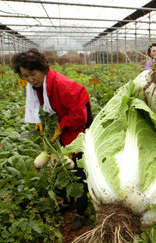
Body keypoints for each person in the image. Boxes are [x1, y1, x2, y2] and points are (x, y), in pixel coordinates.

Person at [11, 48, 93, 231]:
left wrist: (60, 126)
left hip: (77, 119)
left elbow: (79, 116)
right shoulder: (36, 87)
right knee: (59, 166)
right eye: (25, 75)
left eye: (33, 74)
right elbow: (44, 107)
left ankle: (81, 211)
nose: (30, 79)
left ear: (42, 69)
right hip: (62, 118)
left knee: (76, 167)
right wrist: (40, 122)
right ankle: (67, 201)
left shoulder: (62, 85)